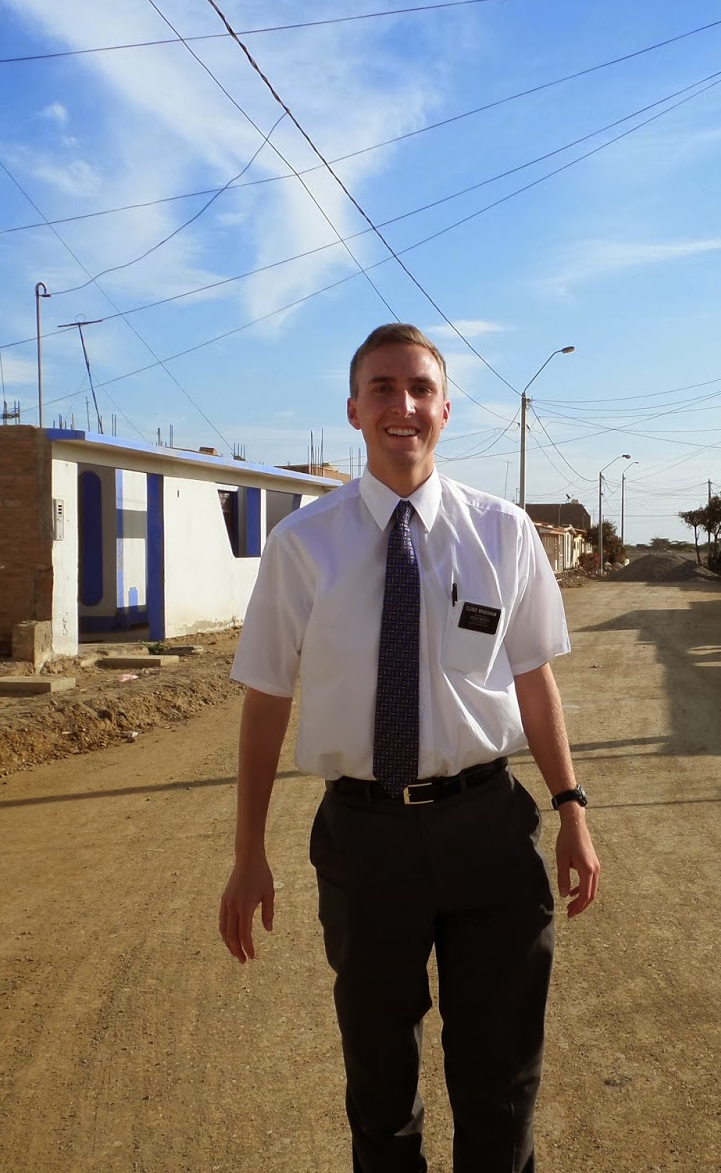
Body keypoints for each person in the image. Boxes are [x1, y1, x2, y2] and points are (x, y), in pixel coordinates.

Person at [219, 322, 600, 1173]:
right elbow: (266, 700)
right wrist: (248, 854)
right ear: (354, 410)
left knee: (501, 1081)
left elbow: (533, 679)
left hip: (488, 831)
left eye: (421, 389)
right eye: (383, 389)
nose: (404, 405)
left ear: (446, 410)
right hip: (365, 842)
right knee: (380, 1089)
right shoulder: (302, 546)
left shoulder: (502, 533)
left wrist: (572, 810)